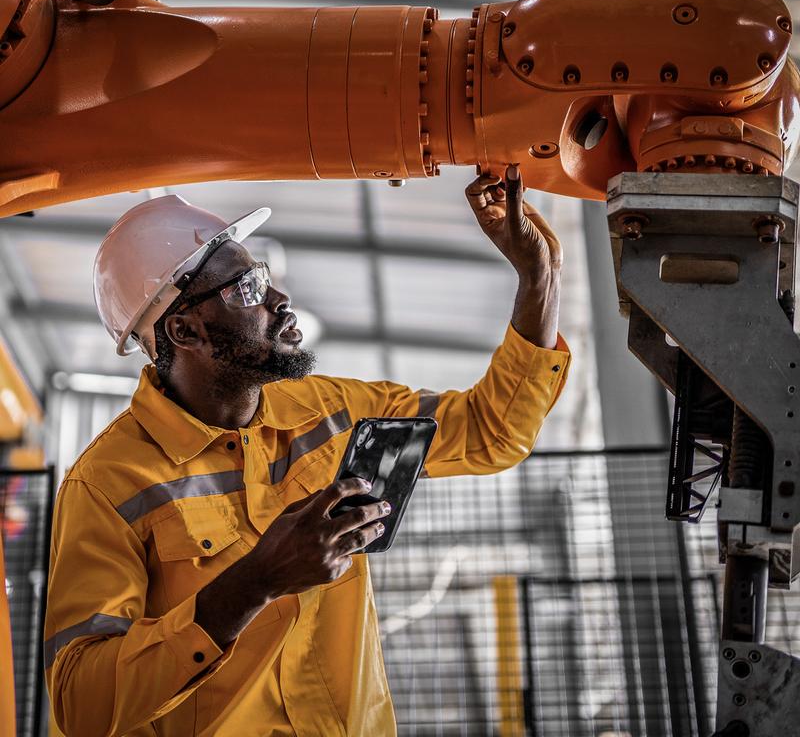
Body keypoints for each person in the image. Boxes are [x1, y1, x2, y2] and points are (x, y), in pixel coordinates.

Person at [44, 165, 570, 736]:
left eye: (263, 274)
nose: (278, 297)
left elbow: (492, 432)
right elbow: (83, 705)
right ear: (185, 332)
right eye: (246, 289)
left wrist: (537, 277)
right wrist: (252, 584)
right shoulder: (108, 484)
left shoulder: (333, 412)